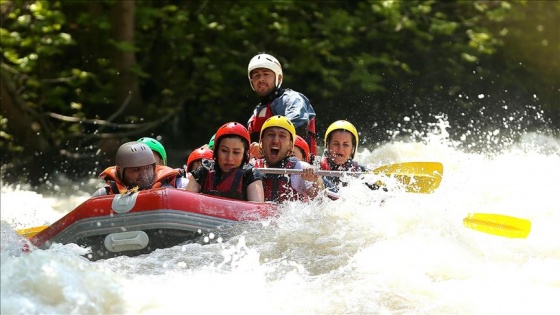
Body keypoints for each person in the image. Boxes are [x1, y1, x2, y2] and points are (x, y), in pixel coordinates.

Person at [246, 53, 318, 159]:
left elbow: (297, 129)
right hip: (265, 169)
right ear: (252, 82)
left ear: (279, 78)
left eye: (266, 74)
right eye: (256, 75)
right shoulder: (255, 115)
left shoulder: (292, 99)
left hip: (300, 167)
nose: (261, 79)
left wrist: (262, 147)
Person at [186, 122, 264, 202]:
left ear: (245, 154)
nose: (229, 158)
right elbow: (186, 202)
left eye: (236, 152)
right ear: (216, 151)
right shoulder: (203, 171)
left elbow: (257, 209)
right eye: (224, 150)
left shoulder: (251, 175)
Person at [254, 115, 324, 202]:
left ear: (290, 145)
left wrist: (316, 180)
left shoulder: (300, 168)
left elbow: (319, 200)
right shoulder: (252, 167)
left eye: (282, 136)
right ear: (261, 142)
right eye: (270, 135)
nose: (275, 140)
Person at [93, 142, 181, 196]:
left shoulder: (169, 191)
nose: (144, 175)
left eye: (147, 168)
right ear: (120, 171)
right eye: (136, 170)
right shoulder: (103, 194)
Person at [320, 120, 369, 193]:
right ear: (328, 145)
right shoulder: (316, 167)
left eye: (345, 145)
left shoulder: (361, 171)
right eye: (336, 144)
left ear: (352, 148)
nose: (340, 149)